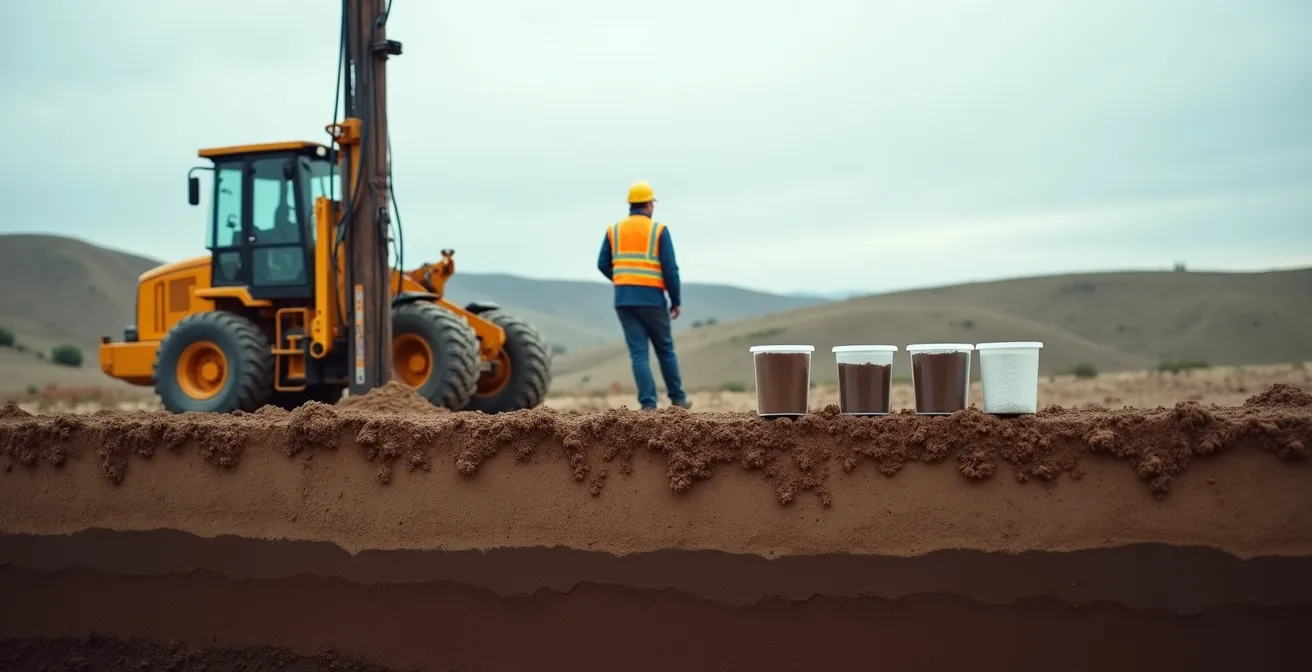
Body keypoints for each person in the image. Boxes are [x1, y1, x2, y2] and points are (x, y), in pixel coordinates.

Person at [597, 180, 691, 411]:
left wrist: (621, 278)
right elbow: (670, 269)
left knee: (639, 354)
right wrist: (675, 300)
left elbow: (602, 264)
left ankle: (648, 404)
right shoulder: (658, 230)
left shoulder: (614, 230)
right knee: (665, 350)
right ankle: (677, 400)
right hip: (652, 298)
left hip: (623, 299)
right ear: (649, 205)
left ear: (631, 205)